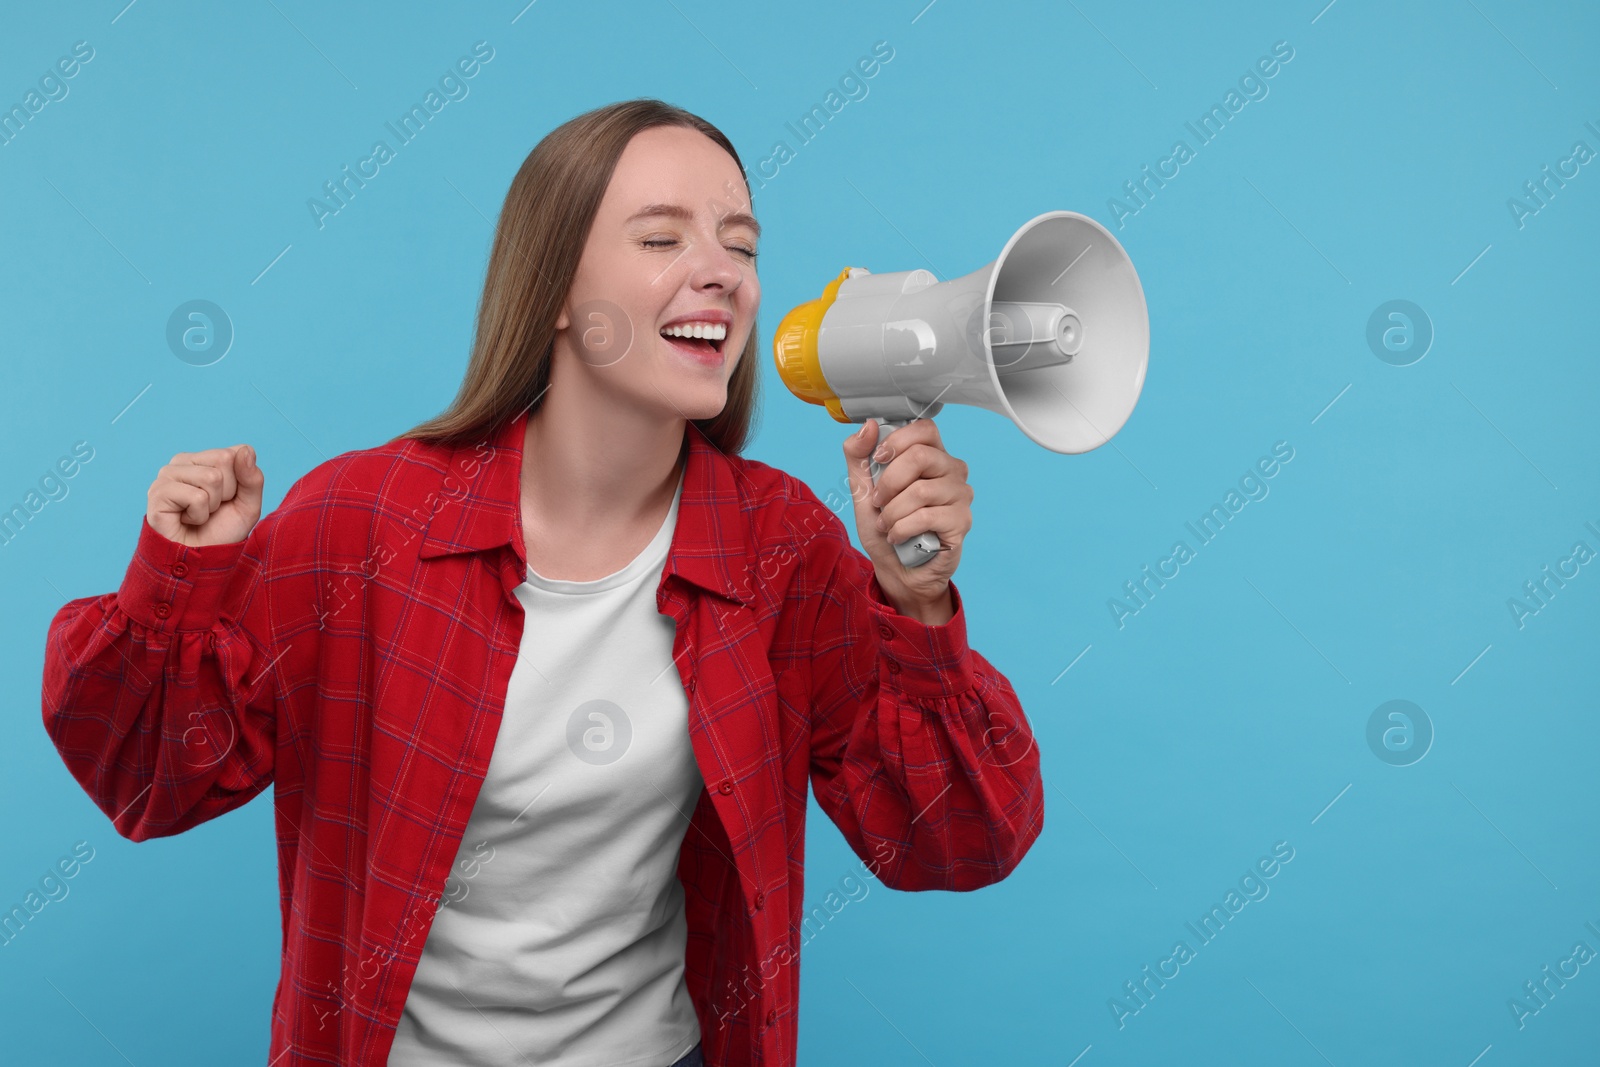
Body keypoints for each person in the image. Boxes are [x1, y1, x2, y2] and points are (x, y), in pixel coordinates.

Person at [40, 98, 1044, 1067]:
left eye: (740, 245)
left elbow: (952, 839)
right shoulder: (364, 519)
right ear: (556, 288)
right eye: (661, 240)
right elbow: (147, 774)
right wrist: (181, 578)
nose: (723, 275)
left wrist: (915, 602)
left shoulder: (778, 543)